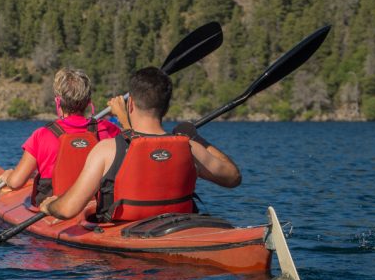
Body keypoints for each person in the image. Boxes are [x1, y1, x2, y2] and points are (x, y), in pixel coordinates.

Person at [39, 66, 241, 223]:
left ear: (131, 104)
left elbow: (68, 209)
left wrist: (49, 206)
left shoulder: (106, 150)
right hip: (176, 230)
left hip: (120, 257)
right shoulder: (189, 147)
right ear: (166, 106)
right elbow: (233, 177)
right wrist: (196, 138)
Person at [0, 68, 123, 206]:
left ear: (58, 102)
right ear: (88, 101)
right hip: (95, 208)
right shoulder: (109, 129)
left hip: (53, 207)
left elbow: (16, 183)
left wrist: (8, 177)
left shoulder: (41, 135)